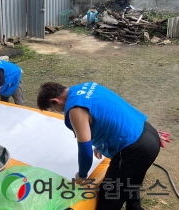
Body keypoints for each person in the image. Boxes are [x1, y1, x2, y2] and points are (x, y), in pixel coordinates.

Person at [36, 81, 161, 210]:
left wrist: (82, 174)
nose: (57, 112)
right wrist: (102, 146)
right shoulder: (87, 87)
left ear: (55, 101)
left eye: (52, 109)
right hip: (147, 133)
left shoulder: (75, 109)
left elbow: (85, 149)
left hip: (135, 148)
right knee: (130, 180)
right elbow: (107, 115)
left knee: (109, 197)